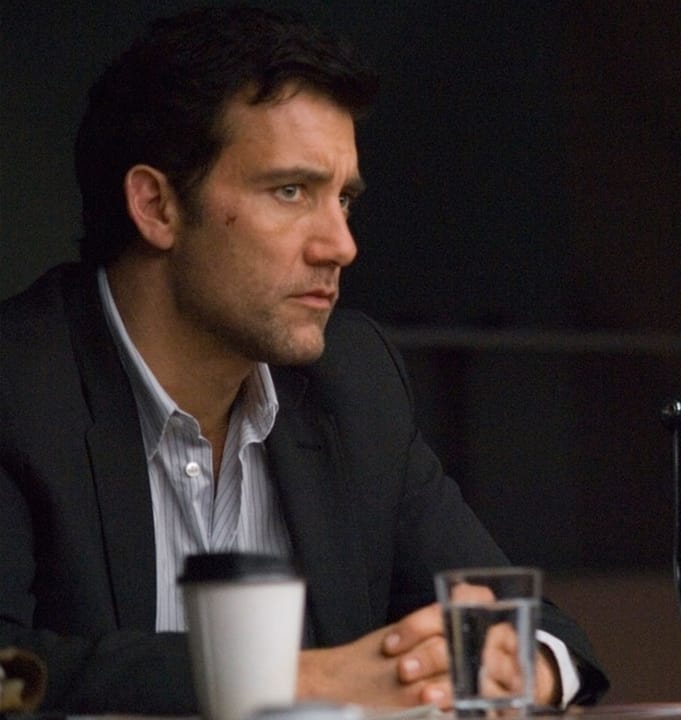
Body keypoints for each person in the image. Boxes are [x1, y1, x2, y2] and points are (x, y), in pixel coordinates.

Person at [0, 5, 608, 714]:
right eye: (291, 192)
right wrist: (308, 680)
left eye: (343, 199)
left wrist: (516, 666)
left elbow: (541, 633)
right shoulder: (18, 385)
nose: (341, 245)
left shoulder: (353, 382)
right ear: (157, 206)